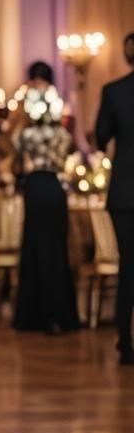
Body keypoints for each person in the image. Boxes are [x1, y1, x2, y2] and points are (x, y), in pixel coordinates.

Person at [12, 64, 79, 335]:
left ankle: (35, 315)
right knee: (56, 249)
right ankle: (59, 314)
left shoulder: (25, 135)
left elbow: (14, 157)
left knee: (35, 248)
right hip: (54, 188)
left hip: (36, 187)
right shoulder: (63, 135)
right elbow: (71, 152)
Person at [95, 31, 134, 366]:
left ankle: (126, 341)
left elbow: (100, 137)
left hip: (125, 191)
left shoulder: (114, 91)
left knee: (128, 265)